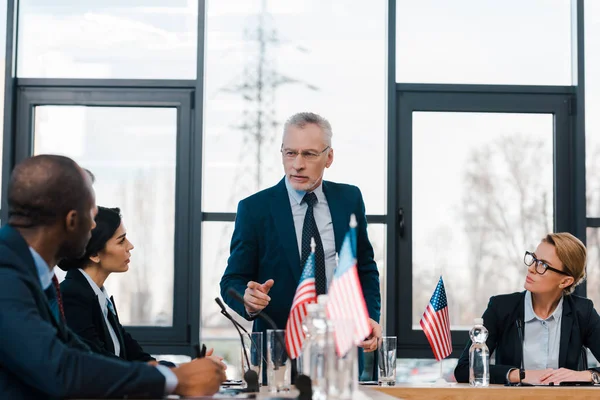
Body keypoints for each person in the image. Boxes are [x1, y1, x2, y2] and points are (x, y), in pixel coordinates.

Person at [0, 155, 226, 399]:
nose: (93, 223)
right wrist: (175, 380)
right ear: (72, 221)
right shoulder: (6, 275)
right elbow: (61, 369)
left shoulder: (33, 273)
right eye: (91, 212)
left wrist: (176, 374)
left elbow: (81, 355)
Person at [220, 112, 382, 376]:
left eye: (308, 154)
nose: (297, 164)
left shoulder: (349, 199)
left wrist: (370, 316)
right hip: (278, 354)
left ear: (328, 157)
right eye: (290, 153)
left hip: (340, 350)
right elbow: (232, 281)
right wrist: (248, 300)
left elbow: (365, 268)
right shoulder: (255, 209)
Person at [59, 206, 222, 368]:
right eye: (121, 240)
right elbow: (100, 363)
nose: (130, 246)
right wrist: (185, 372)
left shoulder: (99, 298)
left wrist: (188, 369)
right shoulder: (72, 296)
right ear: (94, 254)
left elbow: (138, 358)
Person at [454, 233, 600, 385]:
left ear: (565, 281)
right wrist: (520, 375)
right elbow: (464, 369)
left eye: (542, 265)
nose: (531, 268)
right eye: (534, 259)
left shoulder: (583, 312)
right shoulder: (501, 307)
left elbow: (585, 376)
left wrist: (587, 375)